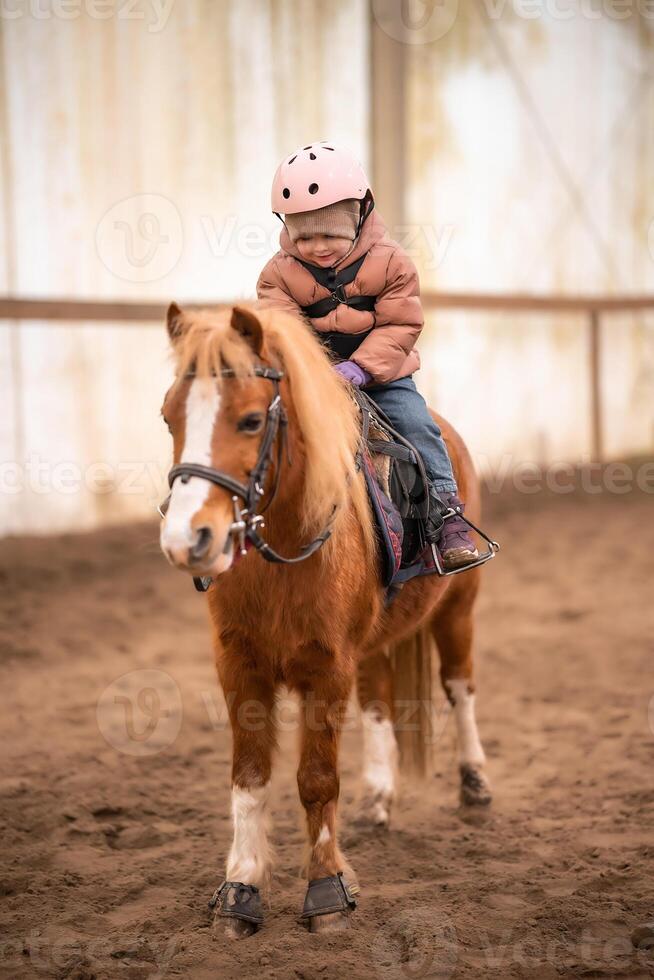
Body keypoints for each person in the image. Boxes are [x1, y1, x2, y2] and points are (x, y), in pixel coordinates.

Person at [256, 140, 478, 570]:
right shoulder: (277, 274)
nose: (318, 247)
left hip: (384, 375)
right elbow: (283, 332)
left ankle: (446, 515)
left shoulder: (394, 264)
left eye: (330, 234)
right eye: (304, 236)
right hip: (315, 380)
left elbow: (401, 325)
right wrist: (317, 373)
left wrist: (360, 368)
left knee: (418, 425)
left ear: (358, 219)